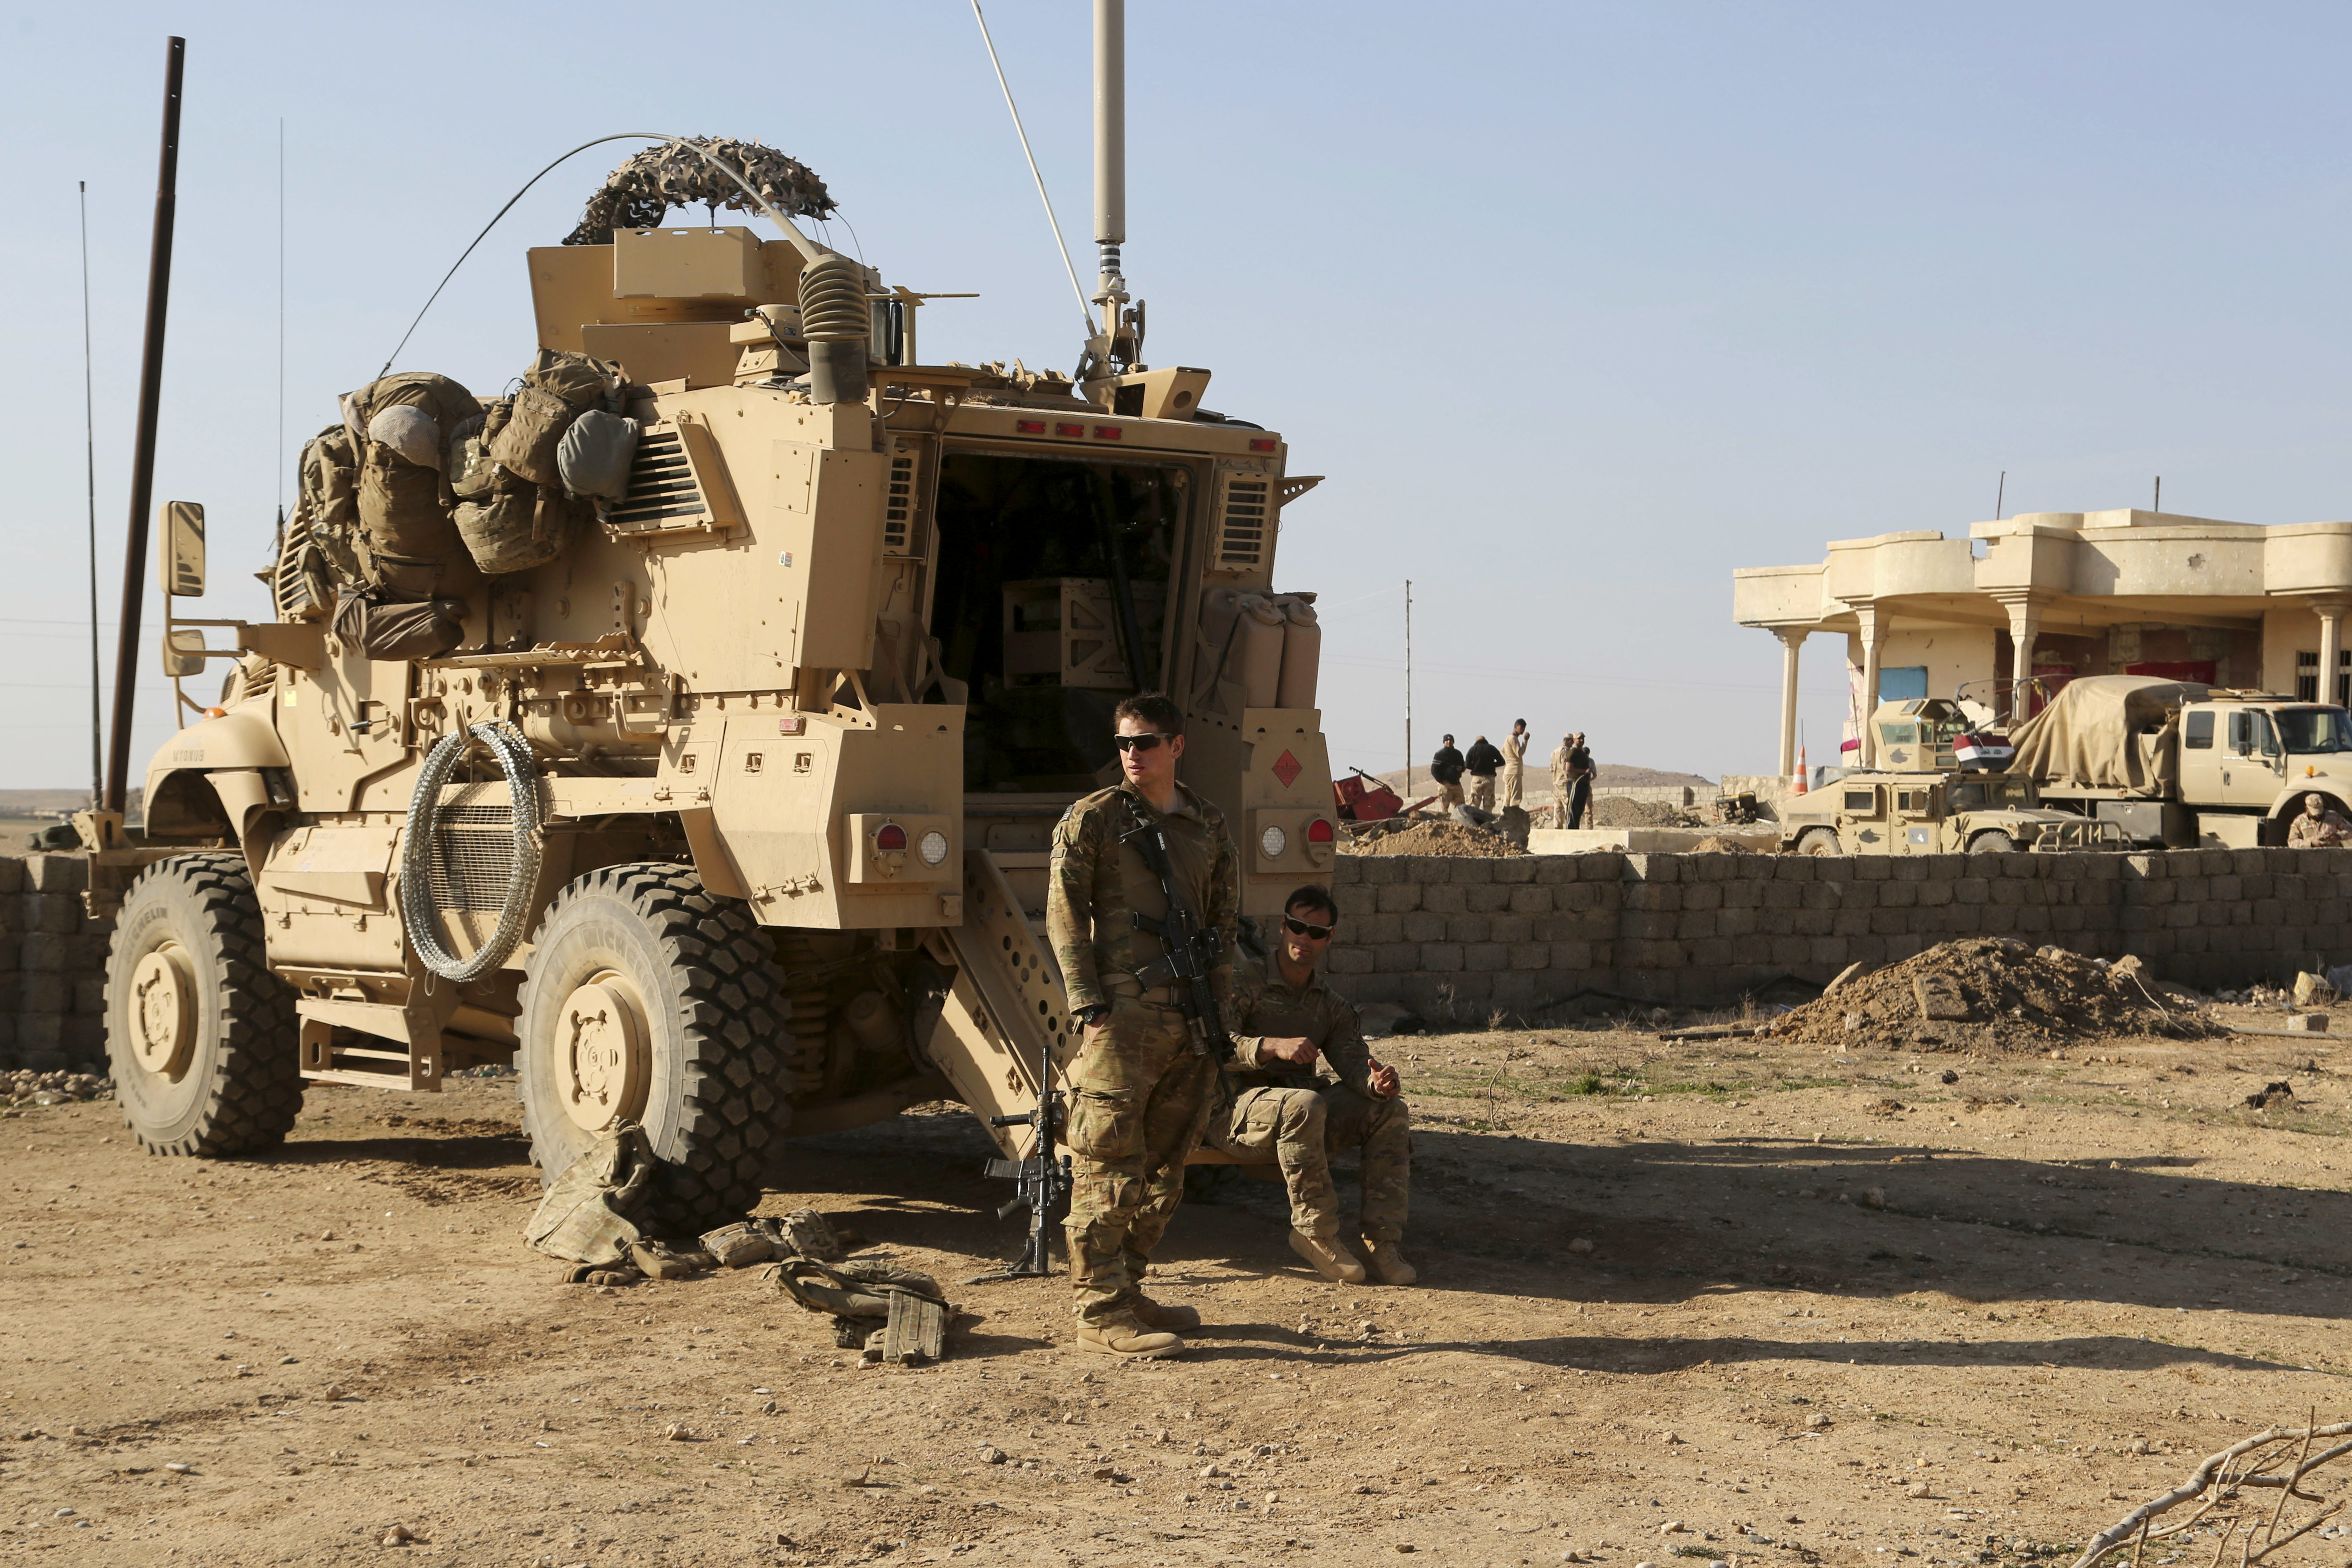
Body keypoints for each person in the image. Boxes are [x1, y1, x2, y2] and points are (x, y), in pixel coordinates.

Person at [1048, 692, 1240, 1359]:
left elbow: (1223, 926)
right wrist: (1087, 1003)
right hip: (1124, 1021)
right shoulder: (1094, 819)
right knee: (1105, 1162)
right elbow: (1064, 912)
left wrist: (1221, 1025)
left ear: (1178, 746)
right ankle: (1097, 1311)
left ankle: (1128, 1288)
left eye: (1148, 742)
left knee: (1164, 1170)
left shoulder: (1208, 824)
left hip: (1189, 1025)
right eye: (1125, 743)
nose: (1133, 754)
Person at [1206, 885, 1415, 1286]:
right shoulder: (1243, 982)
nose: (1306, 939)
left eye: (1317, 933)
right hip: (1232, 1112)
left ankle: (1383, 1242)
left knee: (1389, 1111)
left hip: (1300, 1117)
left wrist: (1375, 1084)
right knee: (1305, 1104)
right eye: (1299, 928)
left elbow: (1354, 1061)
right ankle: (1315, 1233)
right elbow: (1213, 1048)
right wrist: (1270, 1047)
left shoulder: (1329, 1004)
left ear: (1330, 938)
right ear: (1283, 928)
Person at [2288, 792, 2352, 848]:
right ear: (2307, 809)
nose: (2317, 815)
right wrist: (2311, 843)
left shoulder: (2334, 817)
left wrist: (2338, 836)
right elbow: (2292, 843)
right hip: (2309, 857)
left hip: (2332, 856)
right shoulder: (2299, 821)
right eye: (2314, 813)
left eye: (2320, 811)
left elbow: (2350, 831)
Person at [1463, 734, 1504, 811]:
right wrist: (1492, 766)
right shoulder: (1492, 748)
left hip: (1477, 778)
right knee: (1488, 802)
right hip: (1489, 778)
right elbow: (1502, 762)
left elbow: (1467, 765)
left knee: (1475, 801)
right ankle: (1487, 820)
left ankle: (1475, 820)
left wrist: (1475, 767)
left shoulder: (1473, 749)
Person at [1566, 731, 1596, 829]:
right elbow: (1569, 768)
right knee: (1573, 808)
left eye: (1583, 738)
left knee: (1580, 809)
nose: (1582, 740)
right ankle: (1570, 829)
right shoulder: (1573, 752)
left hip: (1583, 785)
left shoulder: (1583, 754)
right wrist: (1584, 771)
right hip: (1575, 783)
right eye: (1580, 738)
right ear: (1574, 740)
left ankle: (1576, 829)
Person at [1428, 735, 1466, 812]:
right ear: (1444, 742)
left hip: (1456, 784)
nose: (1449, 742)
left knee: (1461, 807)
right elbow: (1434, 770)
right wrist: (1442, 781)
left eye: (1451, 740)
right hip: (1445, 785)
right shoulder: (1440, 754)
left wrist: (1461, 769)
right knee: (1444, 807)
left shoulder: (1458, 754)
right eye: (1447, 741)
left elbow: (1463, 766)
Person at [1500, 720, 1529, 809]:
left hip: (1508, 770)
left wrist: (1509, 758)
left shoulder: (1508, 738)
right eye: (1521, 728)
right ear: (1516, 727)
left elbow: (1503, 751)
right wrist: (1525, 741)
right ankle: (1513, 816)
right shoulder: (1513, 739)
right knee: (1515, 797)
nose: (1523, 730)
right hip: (1514, 771)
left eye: (1524, 728)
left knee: (1508, 796)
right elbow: (1520, 753)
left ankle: (1505, 816)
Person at [1549, 734, 1575, 827]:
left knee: (1558, 807)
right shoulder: (1565, 751)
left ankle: (1557, 827)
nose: (1572, 744)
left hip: (1556, 782)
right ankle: (1570, 826)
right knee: (1567, 805)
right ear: (1568, 741)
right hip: (1564, 782)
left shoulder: (1555, 752)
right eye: (1572, 742)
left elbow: (1551, 768)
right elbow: (1566, 768)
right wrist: (1570, 778)